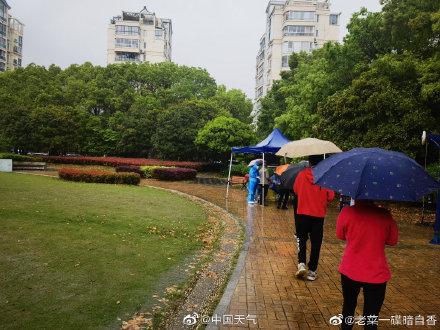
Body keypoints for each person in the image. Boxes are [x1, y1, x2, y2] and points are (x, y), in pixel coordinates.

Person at [336, 200, 398, 329]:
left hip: (350, 270)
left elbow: (340, 235)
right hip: (376, 273)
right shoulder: (385, 215)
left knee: (348, 307)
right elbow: (392, 241)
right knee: (371, 316)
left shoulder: (347, 212)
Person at [293, 155, 335, 281]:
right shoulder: (325, 176)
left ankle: (301, 263)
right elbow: (331, 197)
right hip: (318, 215)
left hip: (302, 213)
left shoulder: (301, 174)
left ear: (309, 161)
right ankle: (312, 270)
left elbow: (295, 190)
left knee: (302, 238)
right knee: (316, 243)